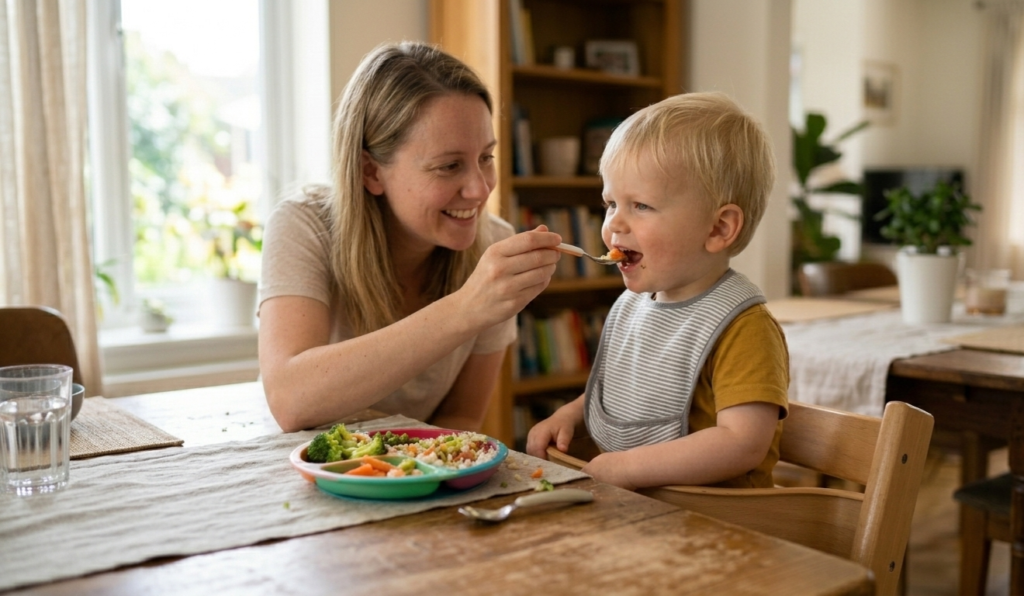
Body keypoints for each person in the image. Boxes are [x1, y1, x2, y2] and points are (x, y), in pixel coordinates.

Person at [258, 41, 562, 433]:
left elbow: (461, 419)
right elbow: (291, 402)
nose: (479, 189)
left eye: (486, 157)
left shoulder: (492, 246)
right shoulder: (304, 226)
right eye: (449, 166)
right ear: (371, 172)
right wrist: (467, 307)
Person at [526, 92, 789, 490]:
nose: (615, 224)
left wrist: (628, 467)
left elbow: (742, 443)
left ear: (718, 229)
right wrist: (572, 415)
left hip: (725, 529)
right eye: (611, 203)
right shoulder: (634, 305)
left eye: (641, 206)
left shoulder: (744, 327)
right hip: (644, 516)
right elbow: (625, 392)